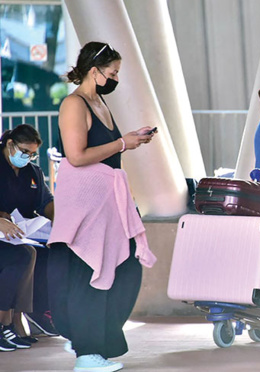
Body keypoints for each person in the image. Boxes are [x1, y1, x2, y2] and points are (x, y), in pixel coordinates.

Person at [47, 41, 157, 372]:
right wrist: (124, 142)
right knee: (89, 273)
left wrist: (131, 139)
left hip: (107, 201)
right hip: (85, 205)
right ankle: (86, 351)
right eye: (112, 72)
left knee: (124, 269)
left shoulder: (100, 101)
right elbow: (77, 155)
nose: (115, 78)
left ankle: (90, 341)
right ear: (94, 71)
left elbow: (106, 148)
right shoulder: (73, 103)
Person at [0, 124, 53, 351]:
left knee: (47, 252)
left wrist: (61, 224)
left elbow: (46, 203)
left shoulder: (32, 172)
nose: (28, 157)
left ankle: (30, 315)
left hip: (20, 234)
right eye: (24, 152)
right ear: (10, 144)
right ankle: (5, 323)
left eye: (32, 154)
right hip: (5, 237)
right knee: (21, 256)